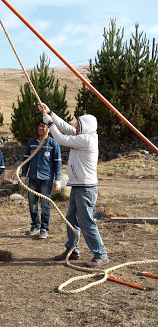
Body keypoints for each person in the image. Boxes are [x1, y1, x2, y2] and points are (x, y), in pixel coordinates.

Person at [39, 103, 109, 268]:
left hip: (86, 188)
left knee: (86, 222)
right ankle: (73, 250)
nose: (75, 127)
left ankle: (101, 254)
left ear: (86, 127)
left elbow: (62, 138)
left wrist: (49, 124)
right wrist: (50, 113)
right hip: (78, 186)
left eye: (79, 125)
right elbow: (65, 127)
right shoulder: (82, 135)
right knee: (71, 218)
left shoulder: (86, 139)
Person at [20, 120, 62, 239]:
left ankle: (44, 228)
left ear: (48, 129)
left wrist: (57, 179)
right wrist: (24, 175)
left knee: (45, 204)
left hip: (46, 179)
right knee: (32, 204)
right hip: (33, 178)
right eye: (39, 125)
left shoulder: (53, 144)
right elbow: (26, 160)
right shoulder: (31, 143)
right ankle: (35, 225)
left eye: (43, 126)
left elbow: (57, 163)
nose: (41, 128)